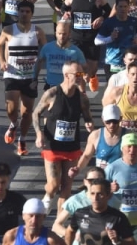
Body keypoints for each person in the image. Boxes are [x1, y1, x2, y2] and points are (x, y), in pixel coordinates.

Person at [33, 61, 94, 210]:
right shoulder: (52, 94)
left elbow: (87, 116)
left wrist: (89, 123)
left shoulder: (82, 98)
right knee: (54, 185)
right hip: (52, 145)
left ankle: (58, 222)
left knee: (66, 187)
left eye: (81, 74)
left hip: (71, 146)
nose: (80, 77)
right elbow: (36, 113)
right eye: (77, 74)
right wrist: (38, 133)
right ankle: (48, 195)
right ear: (67, 75)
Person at [0, 0, 46, 157]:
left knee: (27, 112)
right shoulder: (9, 30)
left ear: (31, 14)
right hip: (12, 73)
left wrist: (41, 62)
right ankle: (13, 124)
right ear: (17, 13)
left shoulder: (37, 32)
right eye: (21, 11)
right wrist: (2, 61)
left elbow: (45, 48)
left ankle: (22, 140)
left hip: (30, 76)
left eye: (27, 11)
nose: (24, 14)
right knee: (11, 108)